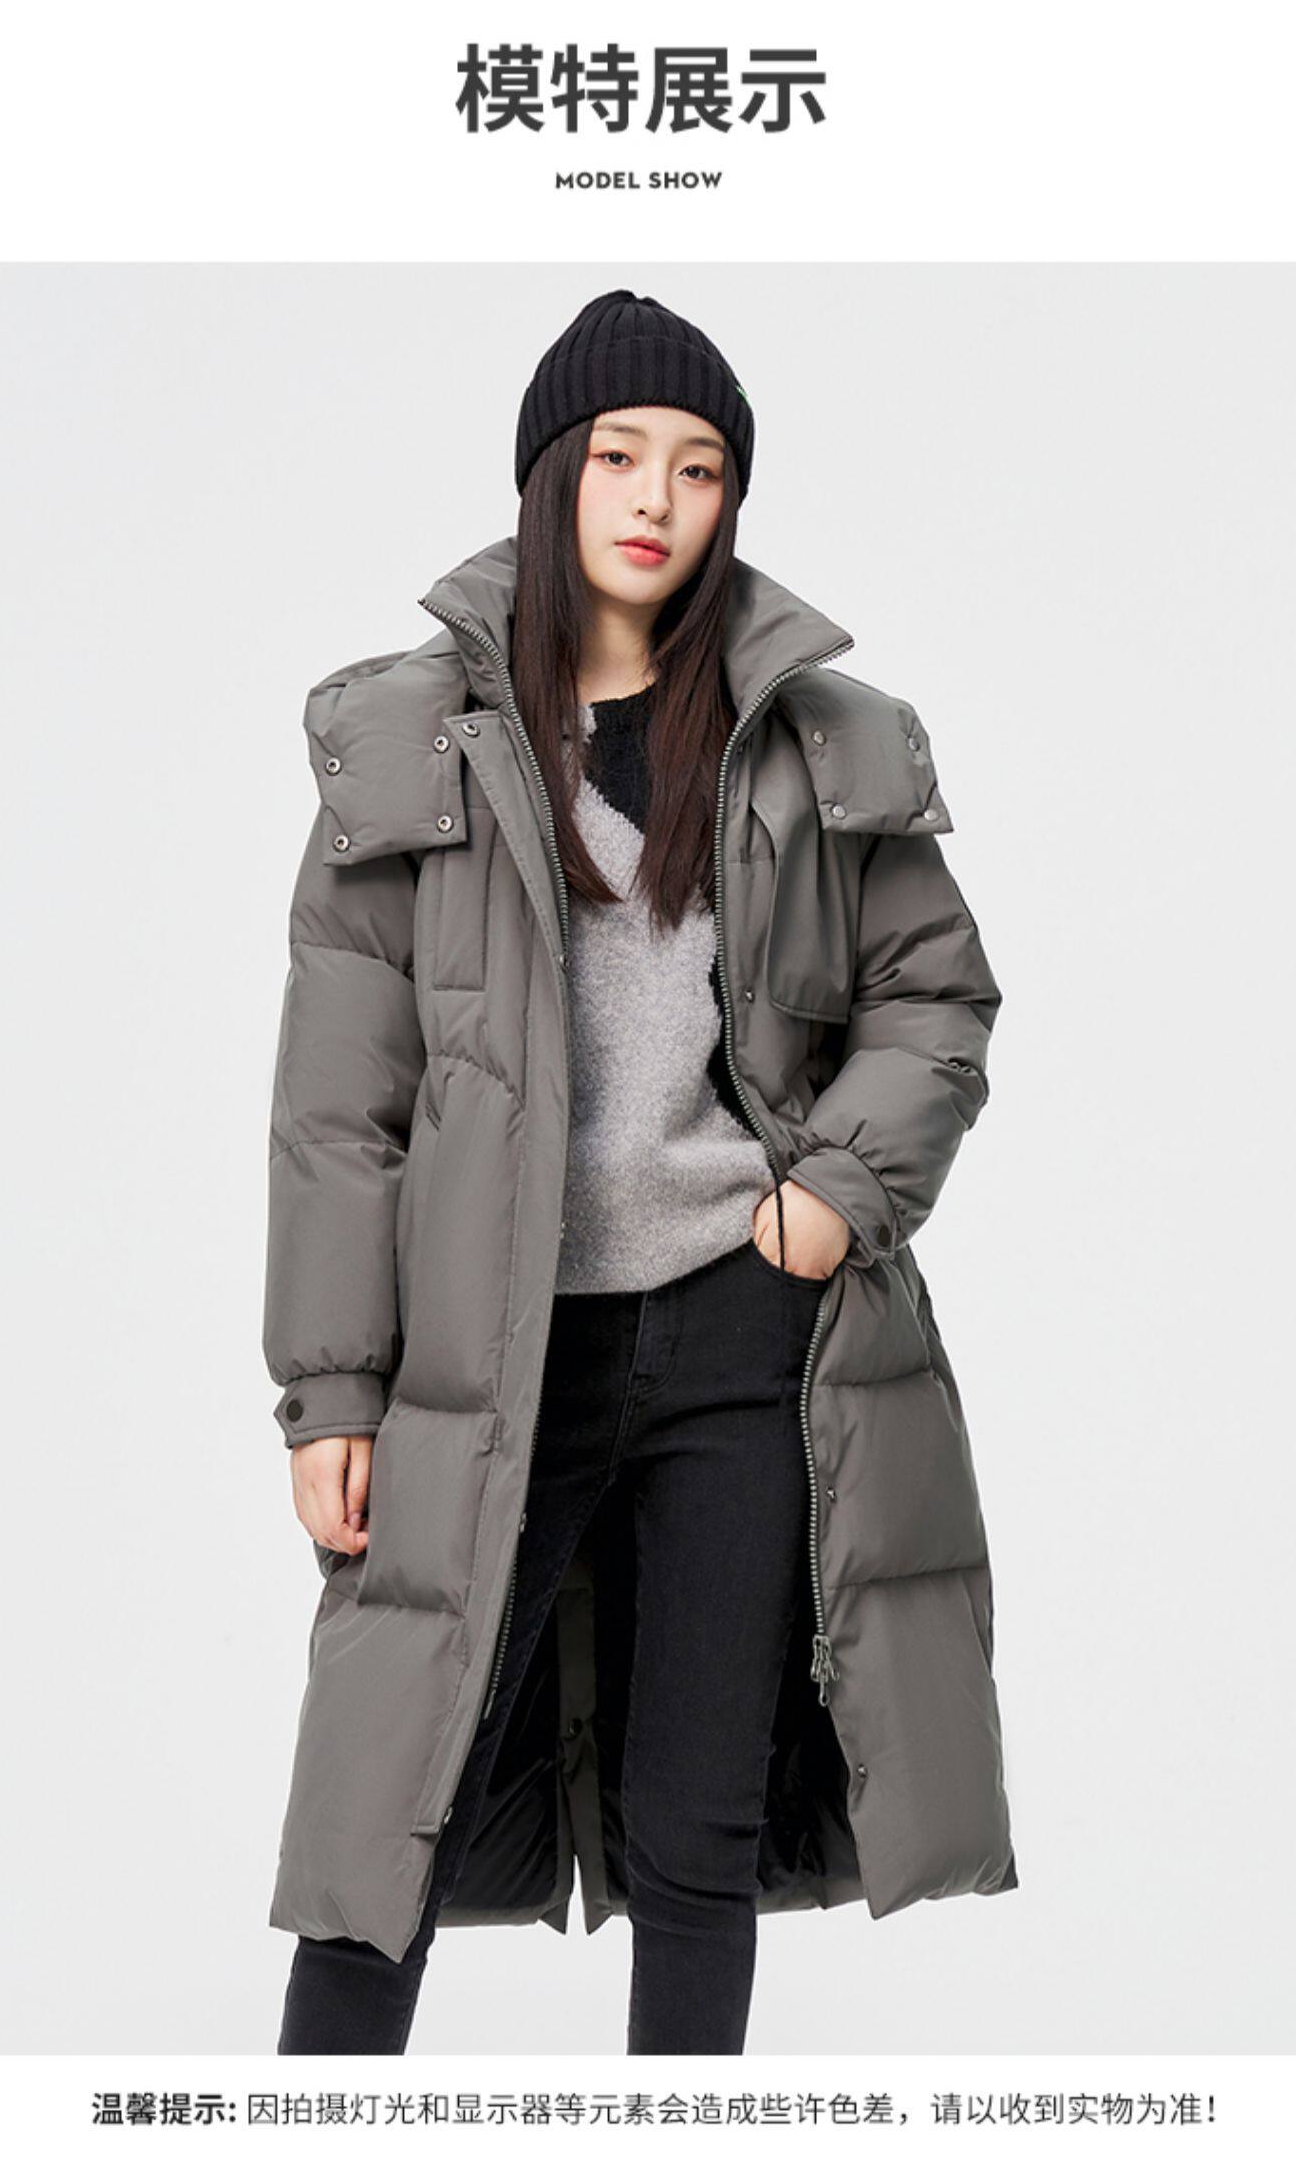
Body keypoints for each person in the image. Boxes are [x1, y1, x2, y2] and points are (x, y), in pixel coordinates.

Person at [266, 289, 1017, 2056]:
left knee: (701, 1830)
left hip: (740, 1334)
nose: (656, 499)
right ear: (553, 476)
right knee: (391, 1806)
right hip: (492, 1353)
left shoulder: (813, 740)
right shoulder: (414, 749)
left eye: (698, 467)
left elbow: (936, 996)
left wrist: (827, 1199)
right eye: (618, 456)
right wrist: (332, 1390)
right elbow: (341, 1108)